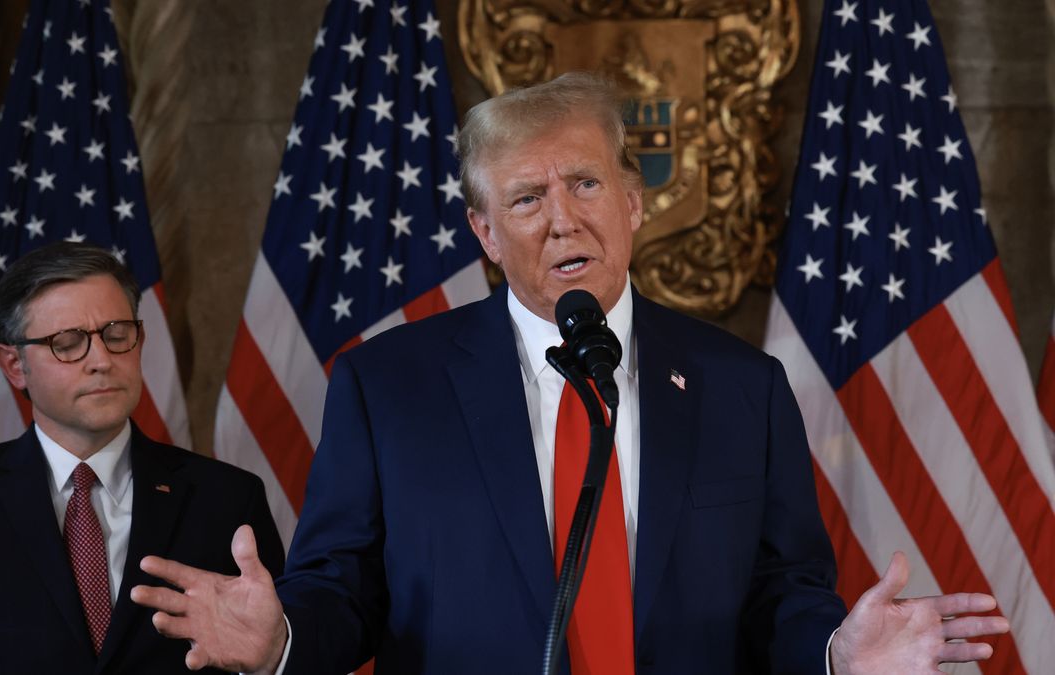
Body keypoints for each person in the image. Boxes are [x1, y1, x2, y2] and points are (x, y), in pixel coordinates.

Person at [130, 73, 1009, 674]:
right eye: (526, 198)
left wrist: (835, 653)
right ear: (483, 232)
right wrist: (281, 638)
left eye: (585, 185)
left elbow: (783, 594)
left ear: (633, 200)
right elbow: (342, 590)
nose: (563, 220)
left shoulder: (744, 385)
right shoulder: (387, 386)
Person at [0, 242, 284, 675]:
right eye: (67, 344)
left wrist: (272, 658)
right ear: (14, 365)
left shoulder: (228, 499)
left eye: (116, 335)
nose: (102, 361)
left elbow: (279, 652)